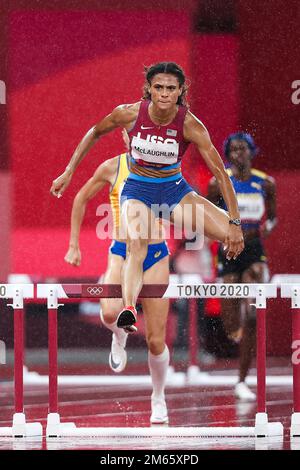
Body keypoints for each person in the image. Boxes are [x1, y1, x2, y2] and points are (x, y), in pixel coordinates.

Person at [50, 61, 244, 334]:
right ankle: (129, 308)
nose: (164, 93)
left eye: (170, 88)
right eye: (159, 87)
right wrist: (69, 171)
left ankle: (234, 300)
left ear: (180, 91)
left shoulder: (190, 125)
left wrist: (235, 223)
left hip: (174, 191)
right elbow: (94, 132)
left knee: (232, 233)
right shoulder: (128, 114)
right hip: (138, 191)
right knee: (137, 243)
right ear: (149, 89)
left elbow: (222, 174)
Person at [64, 138, 170, 424]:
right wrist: (74, 245)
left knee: (156, 340)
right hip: (122, 251)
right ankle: (119, 333)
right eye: (131, 133)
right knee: (110, 312)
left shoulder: (166, 165)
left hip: (155, 254)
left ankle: (158, 397)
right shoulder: (112, 167)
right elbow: (81, 198)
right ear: (124, 136)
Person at [207, 132, 277, 400]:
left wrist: (262, 231)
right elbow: (207, 216)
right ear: (228, 155)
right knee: (231, 321)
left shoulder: (265, 183)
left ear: (251, 152)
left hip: (254, 249)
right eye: (234, 150)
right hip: (228, 249)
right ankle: (235, 332)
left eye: (243, 149)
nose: (239, 154)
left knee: (251, 314)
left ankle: (242, 379)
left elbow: (272, 218)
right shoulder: (218, 183)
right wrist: (223, 234)